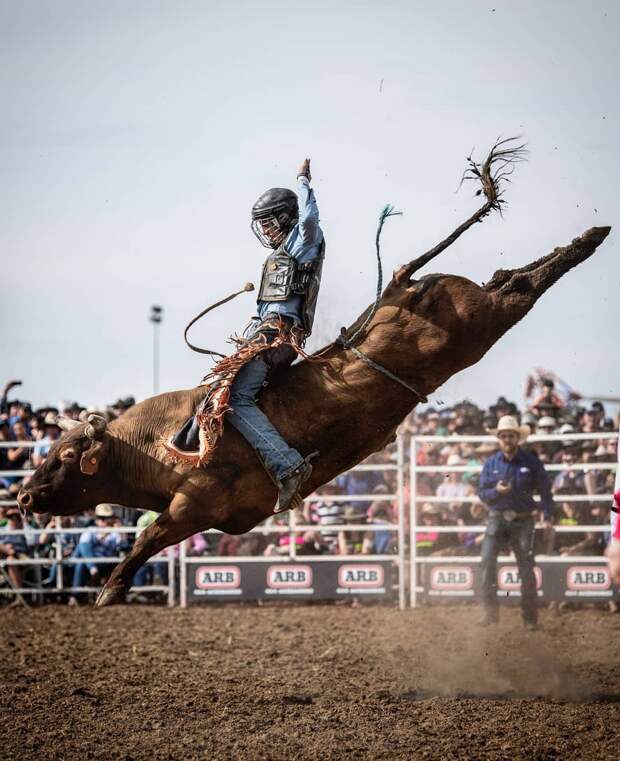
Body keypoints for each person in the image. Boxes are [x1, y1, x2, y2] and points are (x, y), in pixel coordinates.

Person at [171, 158, 324, 513]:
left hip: (275, 335)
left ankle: (287, 466)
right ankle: (191, 439)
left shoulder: (303, 239)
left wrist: (302, 180)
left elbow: (310, 218)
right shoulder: (284, 253)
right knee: (219, 388)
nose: (266, 231)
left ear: (285, 217)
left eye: (269, 223)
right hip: (264, 333)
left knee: (236, 398)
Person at [478, 415, 553, 630]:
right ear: (499, 438)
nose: (507, 440)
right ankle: (490, 613)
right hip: (497, 517)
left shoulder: (531, 462)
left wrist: (547, 516)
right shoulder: (491, 463)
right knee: (486, 562)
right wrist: (496, 492)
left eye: (510, 436)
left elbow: (546, 490)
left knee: (526, 569)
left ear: (517, 438)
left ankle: (529, 619)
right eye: (504, 436)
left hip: (523, 519)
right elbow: (482, 493)